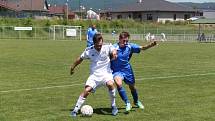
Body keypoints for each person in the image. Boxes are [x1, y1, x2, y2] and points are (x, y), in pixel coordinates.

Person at [70, 33, 118, 117]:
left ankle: (113, 106)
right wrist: (72, 67)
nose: (99, 47)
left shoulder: (107, 46)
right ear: (94, 43)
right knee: (86, 91)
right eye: (97, 45)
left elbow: (113, 50)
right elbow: (80, 59)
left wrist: (114, 54)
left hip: (106, 74)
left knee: (110, 84)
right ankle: (75, 110)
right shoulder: (89, 50)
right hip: (94, 76)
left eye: (100, 44)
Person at [111, 31, 157, 113]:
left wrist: (151, 45)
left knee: (132, 86)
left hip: (127, 69)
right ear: (119, 39)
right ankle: (127, 103)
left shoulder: (130, 46)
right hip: (116, 70)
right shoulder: (113, 47)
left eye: (127, 41)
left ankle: (136, 101)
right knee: (118, 84)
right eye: (124, 41)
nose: (125, 42)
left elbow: (142, 48)